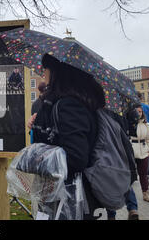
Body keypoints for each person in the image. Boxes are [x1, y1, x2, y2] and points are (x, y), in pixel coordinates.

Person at [27, 53, 105, 219]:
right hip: (67, 195)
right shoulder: (74, 102)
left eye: (45, 68)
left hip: (69, 198)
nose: (43, 73)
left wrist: (35, 158)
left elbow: (76, 157)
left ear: (57, 71)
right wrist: (40, 126)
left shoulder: (68, 105)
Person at [131, 104, 149, 203]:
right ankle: (128, 196)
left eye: (140, 111)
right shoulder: (129, 123)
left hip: (144, 152)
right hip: (132, 151)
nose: (138, 113)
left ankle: (146, 193)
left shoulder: (145, 124)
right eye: (137, 111)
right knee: (130, 175)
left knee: (143, 174)